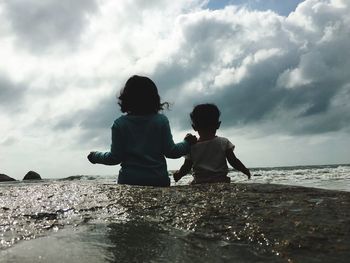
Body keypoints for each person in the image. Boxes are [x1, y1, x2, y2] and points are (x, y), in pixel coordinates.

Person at [87, 75, 196, 187]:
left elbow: (114, 158)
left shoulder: (119, 124)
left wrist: (95, 156)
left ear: (126, 99)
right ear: (154, 98)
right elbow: (171, 152)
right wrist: (186, 143)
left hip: (129, 181)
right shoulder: (160, 121)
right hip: (158, 180)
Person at [173, 103, 251, 184]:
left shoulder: (191, 146)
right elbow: (233, 161)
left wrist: (179, 174)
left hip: (199, 182)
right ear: (218, 125)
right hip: (221, 181)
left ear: (194, 127)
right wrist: (244, 170)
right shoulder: (223, 142)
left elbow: (187, 166)